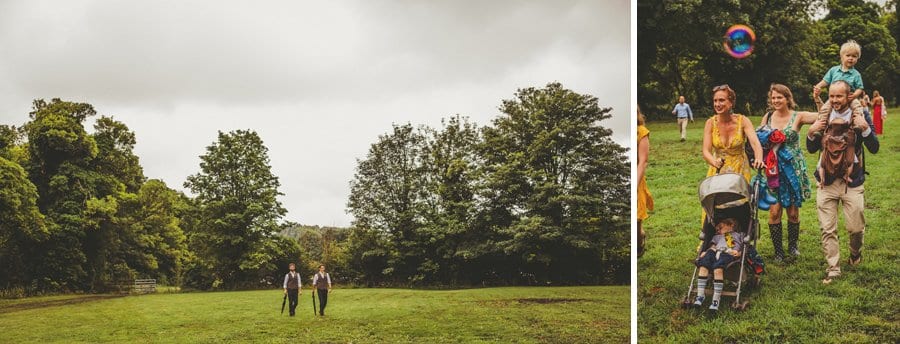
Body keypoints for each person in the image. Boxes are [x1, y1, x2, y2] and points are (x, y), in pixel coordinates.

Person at [806, 80, 879, 285]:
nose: (835, 100)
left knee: (856, 228)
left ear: (848, 97)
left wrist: (865, 130)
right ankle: (833, 268)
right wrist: (812, 132)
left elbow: (874, 147)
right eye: (831, 96)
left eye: (839, 96)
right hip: (826, 181)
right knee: (828, 229)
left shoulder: (860, 115)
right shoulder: (825, 115)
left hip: (852, 181)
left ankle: (855, 253)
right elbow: (811, 149)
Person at [757, 84, 818, 262]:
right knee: (775, 212)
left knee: (793, 212)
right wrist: (759, 158)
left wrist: (818, 99)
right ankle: (778, 252)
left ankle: (793, 246)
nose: (776, 101)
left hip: (793, 169)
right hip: (774, 170)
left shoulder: (798, 116)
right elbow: (760, 140)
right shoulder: (767, 117)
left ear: (787, 98)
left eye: (779, 97)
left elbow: (823, 116)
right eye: (773, 98)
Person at [702, 84, 765, 182]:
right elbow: (706, 151)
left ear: (731, 102)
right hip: (718, 169)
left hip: (739, 170)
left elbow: (755, 144)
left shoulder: (743, 121)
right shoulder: (710, 123)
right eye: (715, 101)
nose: (717, 104)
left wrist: (759, 158)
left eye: (721, 100)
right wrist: (714, 161)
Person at [811, 40, 869, 136]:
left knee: (858, 109)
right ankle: (820, 129)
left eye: (854, 56)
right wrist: (818, 86)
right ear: (842, 57)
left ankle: (857, 125)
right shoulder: (833, 70)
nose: (851, 58)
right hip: (834, 98)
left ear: (857, 59)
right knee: (824, 110)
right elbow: (825, 81)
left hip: (850, 98)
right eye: (848, 55)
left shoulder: (856, 74)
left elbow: (860, 88)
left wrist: (854, 95)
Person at [693, 218, 744, 311]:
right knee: (703, 265)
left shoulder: (739, 235)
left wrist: (739, 253)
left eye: (720, 227)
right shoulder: (717, 236)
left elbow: (743, 247)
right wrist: (706, 251)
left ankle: (716, 300)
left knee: (718, 269)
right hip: (714, 251)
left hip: (728, 252)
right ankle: (700, 296)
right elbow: (713, 245)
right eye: (717, 229)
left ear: (731, 225)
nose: (718, 230)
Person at [637, 105, 654, 257]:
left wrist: (635, 184)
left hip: (637, 178)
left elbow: (643, 162)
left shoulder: (641, 132)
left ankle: (640, 237)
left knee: (637, 220)